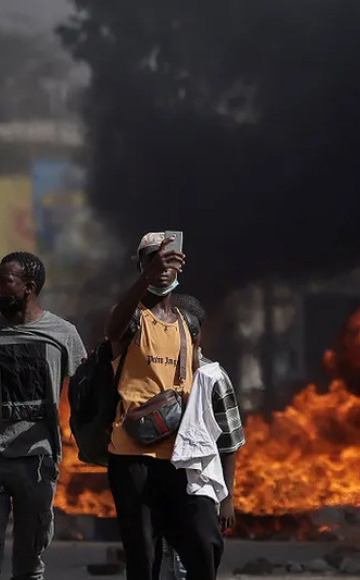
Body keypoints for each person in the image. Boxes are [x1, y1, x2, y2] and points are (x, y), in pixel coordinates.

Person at [0, 252, 87, 580]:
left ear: (28, 288)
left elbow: (88, 388)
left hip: (38, 462)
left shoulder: (63, 333)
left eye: (4, 282)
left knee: (29, 565)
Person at [105, 233, 223, 580]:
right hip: (132, 457)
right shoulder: (132, 319)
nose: (160, 269)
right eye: (150, 261)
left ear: (179, 267)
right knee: (143, 555)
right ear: (140, 266)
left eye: (168, 262)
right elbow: (113, 328)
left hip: (180, 457)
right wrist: (146, 278)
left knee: (204, 543)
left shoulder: (189, 324)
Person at [159, 293, 245, 580]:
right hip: (157, 474)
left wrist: (228, 498)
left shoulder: (212, 377)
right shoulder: (150, 374)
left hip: (200, 481)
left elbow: (230, 441)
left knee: (204, 548)